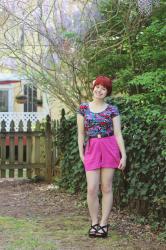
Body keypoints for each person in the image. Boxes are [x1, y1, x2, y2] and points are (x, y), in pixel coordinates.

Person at [77, 76, 127, 238]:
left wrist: (123, 155)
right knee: (91, 188)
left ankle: (104, 223)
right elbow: (80, 133)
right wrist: (81, 153)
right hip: (91, 148)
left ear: (107, 92)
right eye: (97, 86)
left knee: (106, 187)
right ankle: (94, 222)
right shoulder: (83, 108)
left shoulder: (112, 109)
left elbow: (118, 134)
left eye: (103, 88)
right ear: (93, 88)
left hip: (109, 147)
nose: (99, 90)